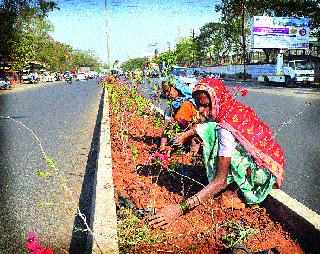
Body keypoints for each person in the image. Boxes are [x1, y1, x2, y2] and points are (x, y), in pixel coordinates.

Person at [150, 78, 285, 228]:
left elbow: (219, 182)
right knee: (207, 130)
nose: (200, 110)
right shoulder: (230, 109)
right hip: (271, 164)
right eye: (199, 105)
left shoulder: (225, 129)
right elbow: (205, 127)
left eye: (205, 105)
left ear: (216, 100)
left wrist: (179, 209)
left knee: (213, 138)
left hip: (262, 174)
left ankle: (240, 190)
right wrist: (187, 135)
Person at [159, 77, 198, 152]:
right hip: (179, 138)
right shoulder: (170, 108)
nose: (167, 94)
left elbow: (196, 127)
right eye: (165, 91)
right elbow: (166, 129)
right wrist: (162, 148)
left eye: (168, 91)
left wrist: (184, 136)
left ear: (177, 88)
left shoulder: (188, 104)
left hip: (191, 137)